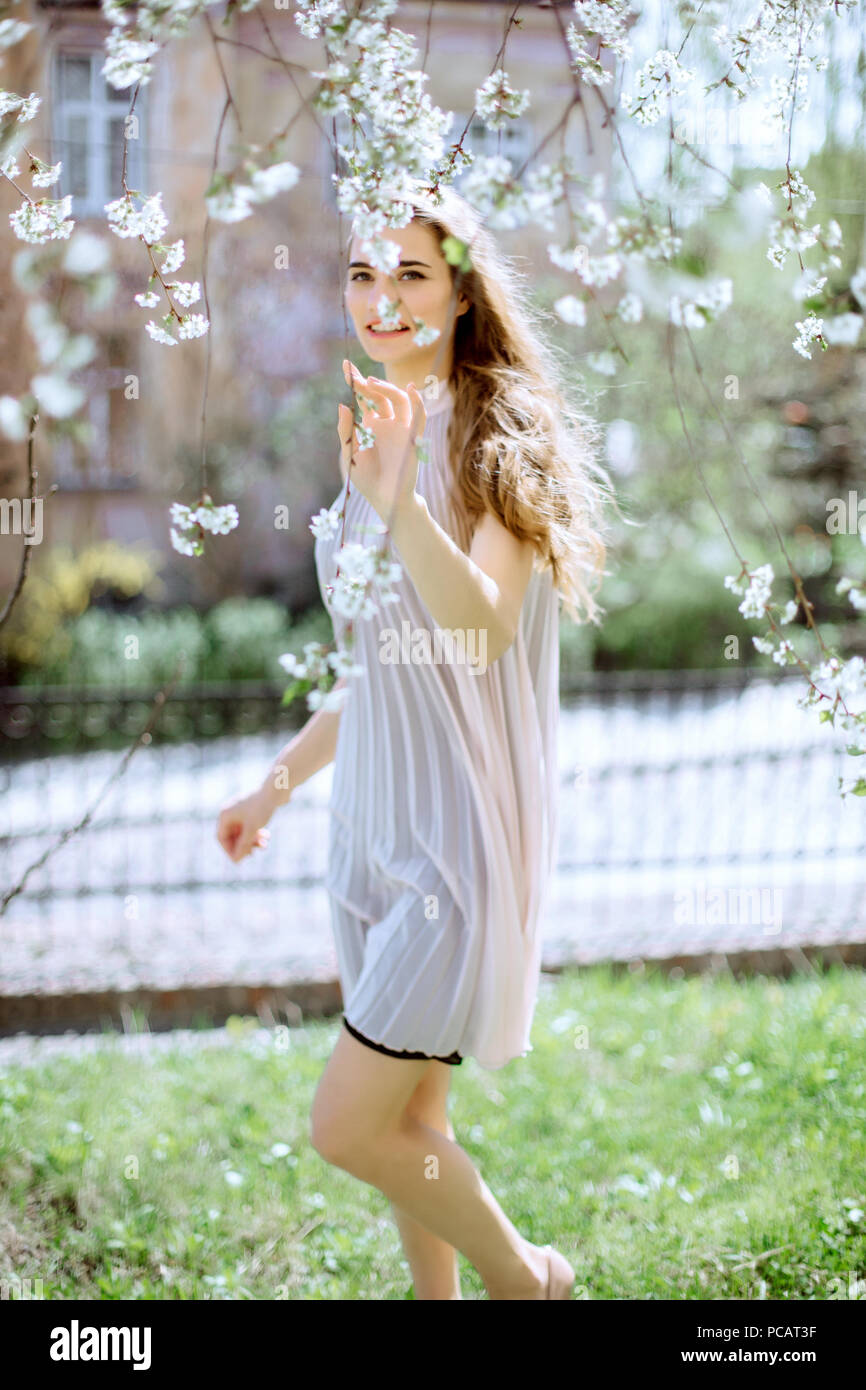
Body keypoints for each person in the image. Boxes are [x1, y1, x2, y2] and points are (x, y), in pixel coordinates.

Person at [216, 183, 611, 1299]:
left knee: (346, 1125)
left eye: (410, 275)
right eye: (361, 274)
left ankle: (528, 1279)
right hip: (368, 840)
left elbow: (479, 638)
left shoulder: (501, 441)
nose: (381, 299)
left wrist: (400, 504)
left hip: (453, 848)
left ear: (460, 292)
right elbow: (383, 672)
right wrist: (274, 785)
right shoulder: (372, 444)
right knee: (411, 1113)